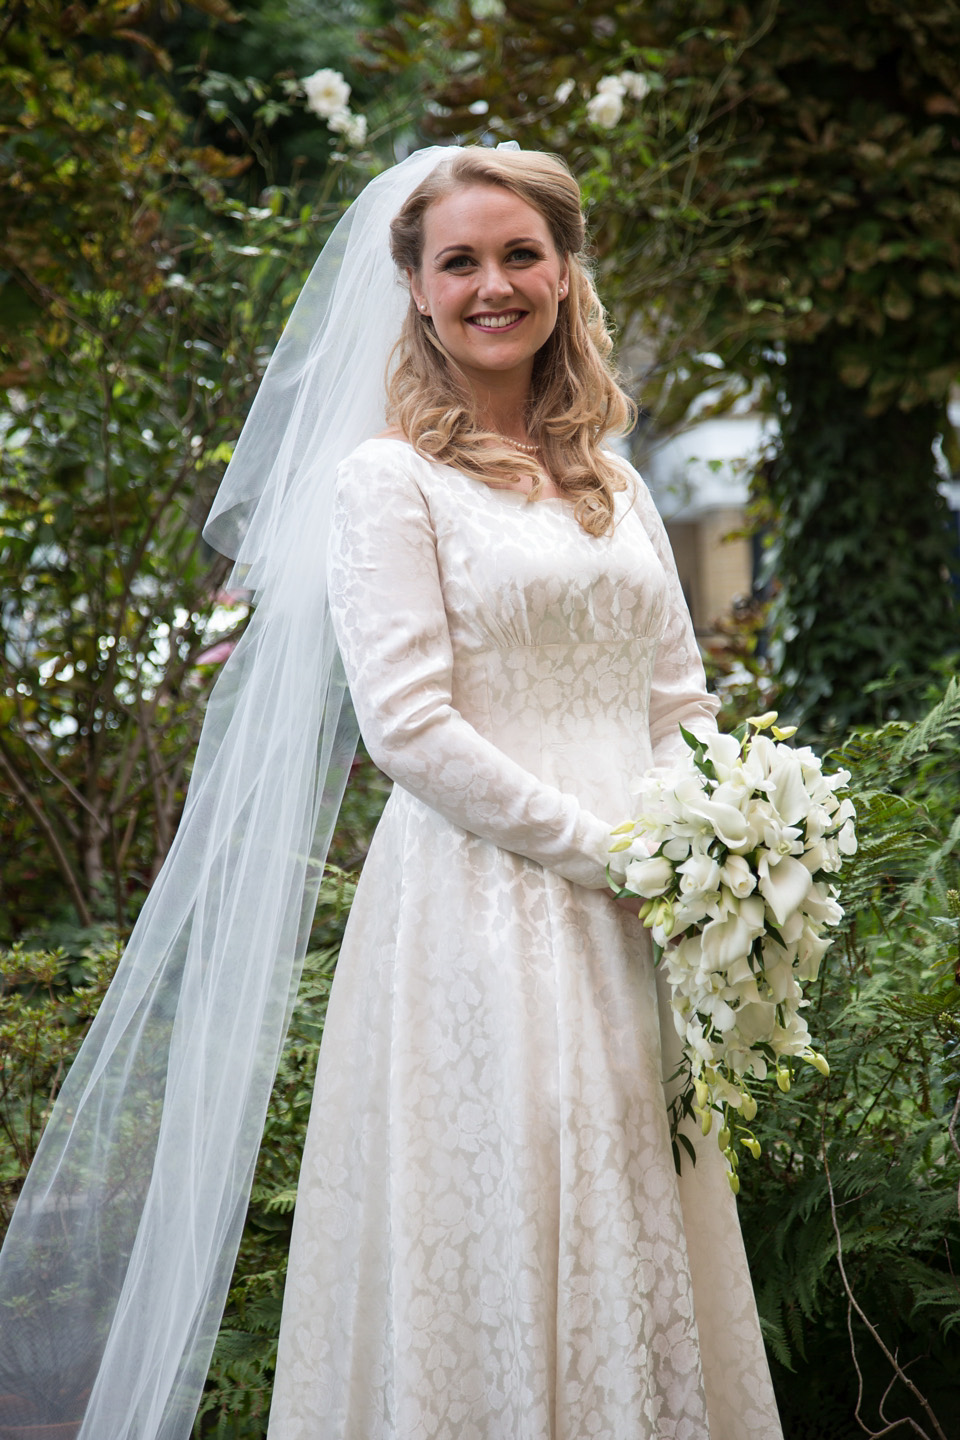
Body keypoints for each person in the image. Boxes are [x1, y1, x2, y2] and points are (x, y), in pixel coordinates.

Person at [0, 145, 782, 1440]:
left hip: (650, 917)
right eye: (459, 261)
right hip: (486, 913)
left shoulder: (618, 480)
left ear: (565, 271)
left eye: (520, 253)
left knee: (636, 1202)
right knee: (506, 1209)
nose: (493, 284)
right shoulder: (387, 481)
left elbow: (678, 698)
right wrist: (621, 854)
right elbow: (411, 729)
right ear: (415, 290)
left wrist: (728, 843)